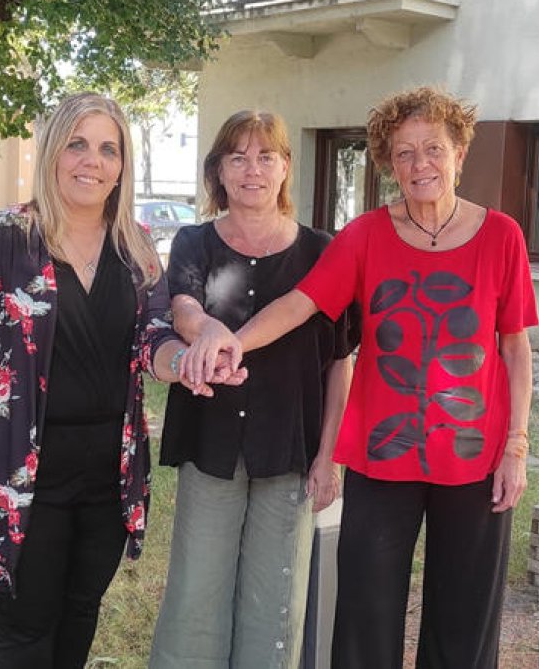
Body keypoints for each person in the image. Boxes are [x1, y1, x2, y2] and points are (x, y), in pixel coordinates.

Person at [191, 86, 538, 668]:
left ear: (459, 154)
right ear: (387, 163)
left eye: (432, 149)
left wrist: (518, 447)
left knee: (465, 620)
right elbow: (301, 303)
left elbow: (515, 348)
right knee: (365, 616)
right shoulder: (366, 235)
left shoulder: (502, 236)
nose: (419, 164)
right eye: (403, 153)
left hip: (475, 456)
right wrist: (232, 343)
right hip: (385, 456)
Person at [0, 92, 243, 668]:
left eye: (107, 149)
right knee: (23, 631)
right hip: (17, 473)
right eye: (77, 144)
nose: (91, 161)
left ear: (122, 164)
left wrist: (192, 360)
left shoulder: (136, 250)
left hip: (106, 476)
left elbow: (152, 340)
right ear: (52, 152)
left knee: (78, 620)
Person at [149, 110, 355, 669]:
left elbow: (339, 363)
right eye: (237, 157)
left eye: (266, 156)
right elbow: (184, 307)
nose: (252, 169)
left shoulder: (322, 251)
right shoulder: (193, 241)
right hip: (210, 441)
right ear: (218, 170)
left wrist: (329, 457)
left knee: (275, 606)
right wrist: (206, 330)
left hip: (291, 449)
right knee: (196, 591)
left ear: (286, 167)